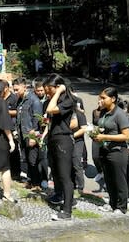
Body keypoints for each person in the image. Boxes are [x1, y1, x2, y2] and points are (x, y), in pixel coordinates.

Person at [43, 74, 77, 221]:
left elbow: (51, 109)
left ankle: (67, 210)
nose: (47, 93)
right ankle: (58, 195)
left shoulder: (69, 100)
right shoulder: (54, 99)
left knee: (64, 175)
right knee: (55, 172)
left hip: (63, 139)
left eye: (49, 89)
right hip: (53, 138)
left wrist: (58, 92)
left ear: (58, 87)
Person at [93, 87, 129, 214]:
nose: (101, 100)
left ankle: (121, 207)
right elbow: (101, 126)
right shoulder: (103, 112)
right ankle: (112, 204)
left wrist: (104, 137)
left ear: (113, 99)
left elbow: (126, 136)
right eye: (100, 97)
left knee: (119, 180)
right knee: (109, 179)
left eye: (104, 98)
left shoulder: (120, 114)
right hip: (104, 150)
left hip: (117, 151)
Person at [13, 77, 45, 189]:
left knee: (33, 160)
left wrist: (33, 136)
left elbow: (37, 119)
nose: (15, 92)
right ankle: (31, 181)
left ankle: (37, 183)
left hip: (31, 134)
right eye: (14, 90)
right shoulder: (20, 100)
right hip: (22, 134)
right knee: (26, 158)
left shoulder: (34, 100)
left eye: (17, 90)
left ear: (24, 87)